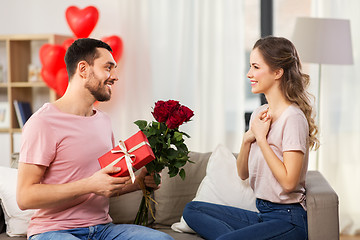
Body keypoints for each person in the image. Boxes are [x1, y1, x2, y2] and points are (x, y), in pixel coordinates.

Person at [16, 38, 174, 240]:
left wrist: (138, 183)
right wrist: (89, 184)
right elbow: (24, 196)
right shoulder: (42, 123)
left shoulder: (103, 121)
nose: (115, 76)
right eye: (108, 67)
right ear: (83, 69)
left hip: (102, 229)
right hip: (54, 230)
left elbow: (102, 185)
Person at [183, 36, 319, 240]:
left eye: (255, 67)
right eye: (250, 67)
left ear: (277, 72)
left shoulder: (293, 117)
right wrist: (248, 139)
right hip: (262, 215)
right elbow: (242, 173)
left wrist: (262, 140)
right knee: (192, 210)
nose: (249, 74)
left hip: (288, 220)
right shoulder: (259, 114)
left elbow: (289, 183)